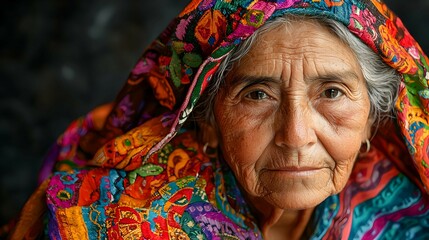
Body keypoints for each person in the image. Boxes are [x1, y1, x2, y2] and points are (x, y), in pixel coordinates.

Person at [6, 0, 429, 239]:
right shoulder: (113, 224)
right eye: (258, 95)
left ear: (372, 120)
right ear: (206, 121)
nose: (296, 136)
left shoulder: (411, 209)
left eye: (332, 93)